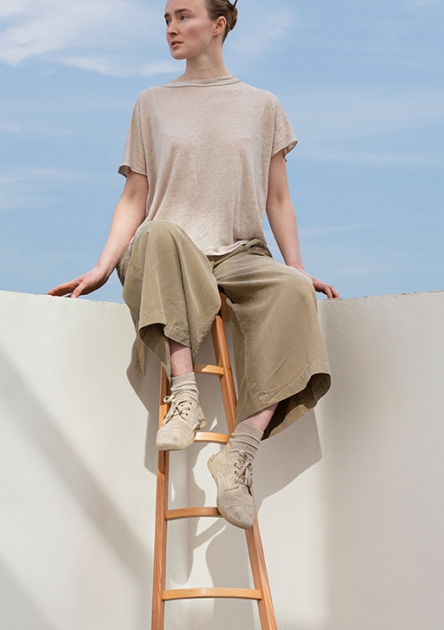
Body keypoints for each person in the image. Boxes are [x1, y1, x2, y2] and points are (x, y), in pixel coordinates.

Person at [49, 0, 338, 529]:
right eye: (166, 20)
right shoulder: (152, 103)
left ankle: (240, 453)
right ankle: (184, 397)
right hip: (169, 252)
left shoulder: (263, 105)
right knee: (159, 231)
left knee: (293, 292)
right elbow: (135, 196)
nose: (172, 29)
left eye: (184, 16)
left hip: (239, 254)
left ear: (219, 24)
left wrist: (297, 267)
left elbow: (278, 197)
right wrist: (100, 265)